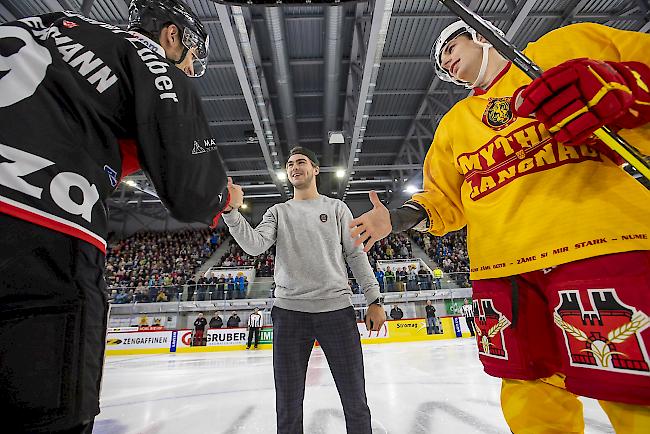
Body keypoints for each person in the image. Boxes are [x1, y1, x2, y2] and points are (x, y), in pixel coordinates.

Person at [350, 19, 650, 432]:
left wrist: (626, 89)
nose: (447, 62)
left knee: (632, 388)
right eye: (441, 61)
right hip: (502, 269)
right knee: (528, 390)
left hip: (596, 243)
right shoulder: (453, 126)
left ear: (482, 35)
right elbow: (443, 201)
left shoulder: (562, 48)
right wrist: (396, 219)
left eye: (451, 48)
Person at [0, 1, 230, 433]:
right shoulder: (151, 60)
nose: (191, 63)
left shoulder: (46, 24)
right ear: (171, 35)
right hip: (38, 226)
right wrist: (221, 197)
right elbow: (192, 191)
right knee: (47, 413)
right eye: (192, 51)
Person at [224, 147, 385, 434]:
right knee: (287, 404)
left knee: (355, 400)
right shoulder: (278, 212)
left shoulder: (336, 208)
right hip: (289, 316)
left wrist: (374, 298)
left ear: (315, 169)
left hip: (337, 314)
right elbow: (254, 245)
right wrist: (231, 211)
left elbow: (356, 255)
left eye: (301, 162)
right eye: (290, 164)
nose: (294, 167)